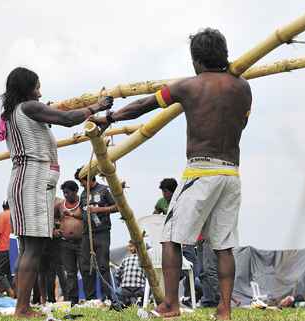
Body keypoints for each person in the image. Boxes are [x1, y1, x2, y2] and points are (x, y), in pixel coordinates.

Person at [92, 28, 252, 319]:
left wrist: (110, 117)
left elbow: (143, 106)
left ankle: (171, 304)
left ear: (196, 60)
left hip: (201, 169)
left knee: (170, 238)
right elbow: (242, 124)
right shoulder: (243, 88)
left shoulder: (188, 87)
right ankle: (225, 309)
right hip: (231, 173)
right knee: (225, 244)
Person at [0, 67, 113, 318]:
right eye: (37, 87)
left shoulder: (16, 113)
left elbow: (54, 117)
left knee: (32, 247)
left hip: (28, 180)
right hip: (33, 181)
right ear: (27, 88)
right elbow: (68, 119)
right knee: (34, 247)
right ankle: (22, 308)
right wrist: (96, 106)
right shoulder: (28, 107)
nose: (40, 92)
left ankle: (24, 306)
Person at [75, 168, 118, 301]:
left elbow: (117, 206)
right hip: (87, 234)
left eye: (82, 181)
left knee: (103, 265)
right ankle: (91, 298)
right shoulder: (83, 194)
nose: (81, 184)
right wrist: (71, 214)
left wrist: (99, 209)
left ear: (88, 179)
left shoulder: (104, 190)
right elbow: (82, 212)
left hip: (102, 233)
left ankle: (108, 297)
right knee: (86, 266)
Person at [54, 180, 84, 305]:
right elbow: (52, 218)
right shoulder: (60, 205)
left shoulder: (83, 203)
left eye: (68, 193)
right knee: (70, 273)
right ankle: (73, 300)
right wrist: (54, 230)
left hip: (82, 242)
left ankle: (90, 298)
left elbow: (87, 216)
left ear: (76, 191)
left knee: (85, 270)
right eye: (64, 193)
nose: (66, 195)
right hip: (65, 243)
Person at [115, 240, 146, 306]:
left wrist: (120, 283)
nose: (129, 248)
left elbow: (117, 274)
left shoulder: (125, 259)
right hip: (139, 289)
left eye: (130, 246)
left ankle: (119, 304)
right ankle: (142, 303)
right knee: (147, 289)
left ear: (136, 247)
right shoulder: (144, 260)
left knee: (117, 292)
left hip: (126, 289)